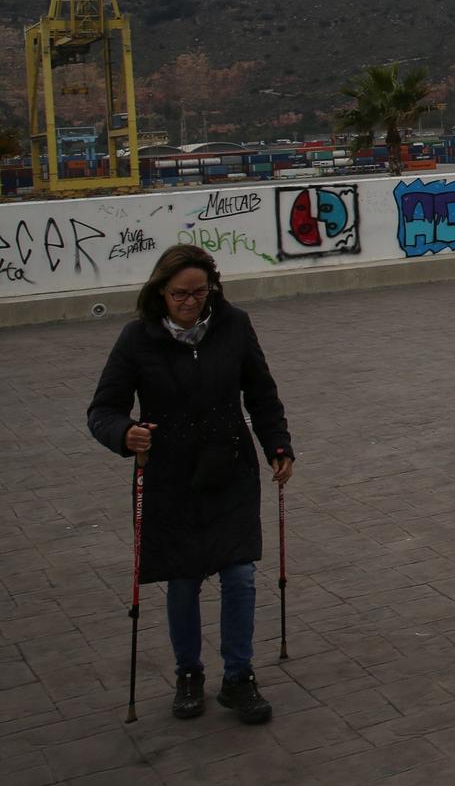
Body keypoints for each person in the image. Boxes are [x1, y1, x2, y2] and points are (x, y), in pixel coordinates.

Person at [87, 245, 296, 724]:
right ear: (160, 292)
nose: (190, 301)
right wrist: (125, 434)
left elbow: (262, 393)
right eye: (179, 293)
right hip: (170, 476)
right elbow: (103, 410)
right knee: (182, 581)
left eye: (199, 291)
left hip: (231, 466)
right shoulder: (136, 338)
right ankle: (189, 673)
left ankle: (239, 676)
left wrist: (278, 446)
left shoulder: (235, 324)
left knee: (240, 575)